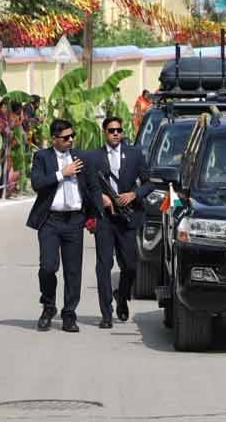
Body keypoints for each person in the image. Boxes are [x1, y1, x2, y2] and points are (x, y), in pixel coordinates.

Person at [87, 115, 152, 328]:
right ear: (104, 133)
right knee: (104, 266)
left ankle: (121, 296)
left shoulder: (134, 154)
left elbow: (149, 182)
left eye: (119, 130)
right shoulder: (94, 157)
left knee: (130, 266)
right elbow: (87, 187)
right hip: (105, 219)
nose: (116, 134)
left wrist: (134, 195)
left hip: (127, 218)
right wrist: (101, 199)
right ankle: (106, 314)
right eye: (111, 130)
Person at [27, 119, 89, 333]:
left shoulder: (80, 158)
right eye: (65, 137)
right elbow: (37, 183)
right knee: (47, 266)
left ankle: (69, 314)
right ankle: (48, 306)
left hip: (74, 221)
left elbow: (90, 186)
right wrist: (62, 173)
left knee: (73, 271)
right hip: (50, 221)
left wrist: (93, 213)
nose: (70, 140)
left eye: (72, 136)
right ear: (54, 139)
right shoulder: (43, 157)